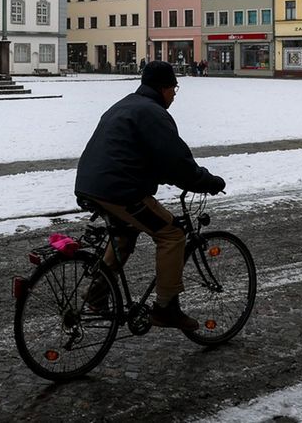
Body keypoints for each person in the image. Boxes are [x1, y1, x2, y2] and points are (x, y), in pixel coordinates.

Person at [74, 60, 225, 331]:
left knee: (124, 235)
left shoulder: (127, 104)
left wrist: (166, 176)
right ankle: (166, 308)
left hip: (92, 182)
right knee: (172, 234)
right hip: (119, 189)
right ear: (164, 88)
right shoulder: (153, 113)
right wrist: (207, 182)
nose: (175, 94)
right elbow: (177, 162)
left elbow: (144, 157)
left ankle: (96, 297)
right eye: (174, 88)